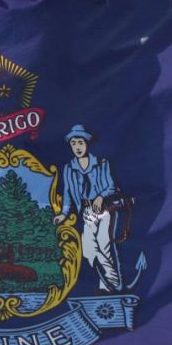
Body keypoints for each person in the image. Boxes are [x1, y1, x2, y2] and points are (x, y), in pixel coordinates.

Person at [52, 124, 122, 292]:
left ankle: (110, 284)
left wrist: (99, 197)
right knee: (89, 251)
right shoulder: (69, 168)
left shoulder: (101, 163)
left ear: (87, 144)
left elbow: (111, 186)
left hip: (105, 209)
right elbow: (68, 192)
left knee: (104, 245)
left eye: (80, 143)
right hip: (87, 212)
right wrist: (63, 214)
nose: (77, 147)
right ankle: (111, 280)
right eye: (74, 143)